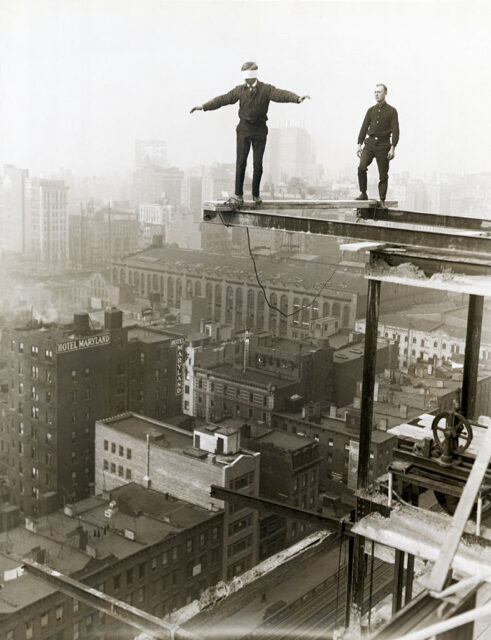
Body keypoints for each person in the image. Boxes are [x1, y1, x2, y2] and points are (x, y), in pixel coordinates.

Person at [191, 61, 310, 205]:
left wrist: (297, 98)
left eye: (248, 77)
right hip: (244, 130)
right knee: (241, 163)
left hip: (260, 130)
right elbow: (223, 99)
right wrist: (204, 107)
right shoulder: (239, 90)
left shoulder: (266, 89)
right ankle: (238, 194)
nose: (246, 80)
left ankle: (255, 194)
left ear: (254, 76)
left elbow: (280, 94)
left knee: (258, 164)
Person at [355, 84, 399, 208]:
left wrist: (393, 148)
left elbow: (396, 131)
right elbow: (364, 128)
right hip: (369, 144)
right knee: (361, 168)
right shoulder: (370, 110)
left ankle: (382, 200)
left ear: (385, 93)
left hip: (384, 145)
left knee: (383, 175)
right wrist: (359, 144)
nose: (376, 94)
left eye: (379, 92)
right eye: (375, 92)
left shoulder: (392, 111)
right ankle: (363, 193)